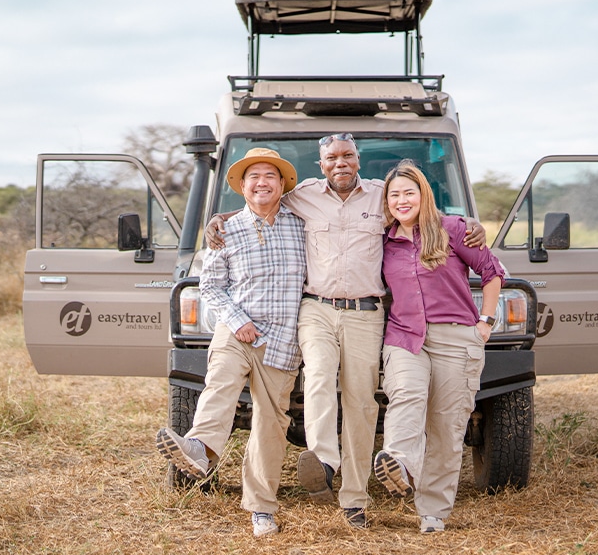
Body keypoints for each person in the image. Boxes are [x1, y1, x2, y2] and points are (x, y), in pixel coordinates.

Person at [207, 134, 485, 530]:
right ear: (320, 165)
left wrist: (470, 224)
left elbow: (418, 210)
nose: (340, 163)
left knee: (361, 403)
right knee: (319, 372)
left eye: (347, 156)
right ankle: (323, 460)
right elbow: (260, 200)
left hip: (366, 312)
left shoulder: (380, 196)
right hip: (315, 307)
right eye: (331, 157)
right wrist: (220, 219)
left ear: (358, 160)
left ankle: (355, 498)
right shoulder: (301, 195)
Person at [156, 147, 306, 538]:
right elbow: (210, 285)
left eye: (269, 176)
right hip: (238, 330)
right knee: (219, 380)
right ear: (241, 186)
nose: (261, 183)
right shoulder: (225, 231)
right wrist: (238, 322)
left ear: (281, 184)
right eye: (252, 176)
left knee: (270, 425)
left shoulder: (303, 223)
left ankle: (262, 509)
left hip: (284, 339)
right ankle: (200, 451)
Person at [372, 159, 504, 533]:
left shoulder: (454, 229)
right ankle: (399, 463)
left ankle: (433, 512)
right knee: (406, 395)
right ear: (387, 200)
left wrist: (485, 323)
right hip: (404, 336)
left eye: (408, 192)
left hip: (457, 338)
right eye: (394, 194)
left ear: (422, 195)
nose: (401, 200)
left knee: (446, 427)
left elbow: (492, 273)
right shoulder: (383, 239)